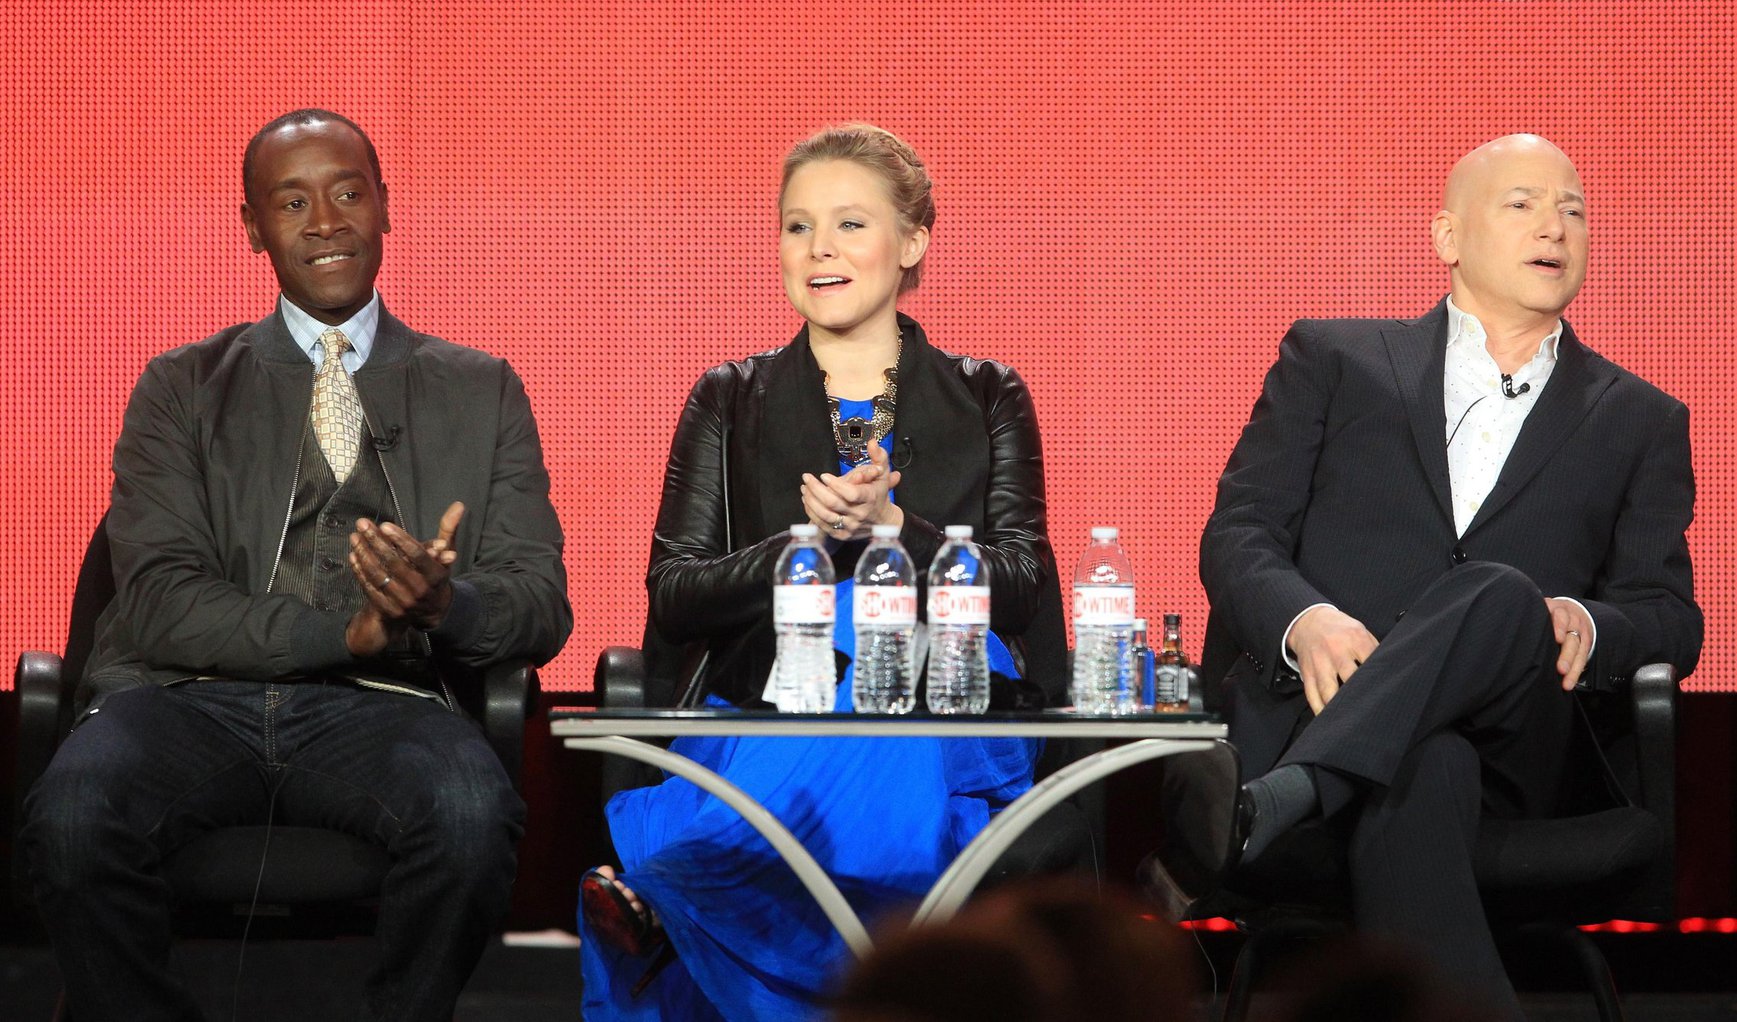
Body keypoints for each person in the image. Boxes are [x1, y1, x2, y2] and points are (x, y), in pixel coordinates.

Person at [21, 109, 572, 1021]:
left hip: (385, 706)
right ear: (253, 227)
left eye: (348, 193)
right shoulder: (179, 387)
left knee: (471, 814)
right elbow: (157, 604)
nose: (325, 222)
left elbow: (538, 602)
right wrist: (340, 632)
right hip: (184, 699)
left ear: (385, 207)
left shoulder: (482, 389)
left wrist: (446, 605)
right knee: (75, 818)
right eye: (292, 202)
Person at [1171, 134, 1702, 1016]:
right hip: (1326, 707)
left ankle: (1284, 797)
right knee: (1426, 765)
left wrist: (1586, 621)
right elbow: (1240, 534)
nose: (1554, 227)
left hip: (1517, 749)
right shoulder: (1333, 360)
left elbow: (1668, 615)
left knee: (1499, 592)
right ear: (1446, 237)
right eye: (1522, 204)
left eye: (1573, 210)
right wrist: (1305, 621)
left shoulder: (1640, 418)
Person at [580, 124, 1067, 1020]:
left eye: (849, 224)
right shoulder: (728, 396)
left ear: (911, 242)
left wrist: (896, 531)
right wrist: (802, 550)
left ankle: (679, 887)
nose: (819, 249)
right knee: (837, 654)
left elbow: (1020, 582)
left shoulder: (986, 392)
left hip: (949, 702)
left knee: (873, 667)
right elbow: (675, 593)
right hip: (764, 700)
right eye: (797, 226)